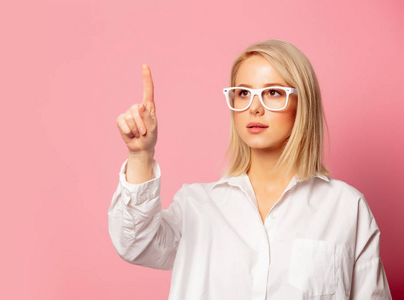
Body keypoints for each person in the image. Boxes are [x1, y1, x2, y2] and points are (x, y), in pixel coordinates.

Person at [108, 40, 391, 299]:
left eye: (273, 93)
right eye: (243, 93)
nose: (254, 108)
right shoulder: (196, 206)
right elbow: (135, 244)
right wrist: (141, 155)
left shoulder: (345, 207)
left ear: (302, 103)